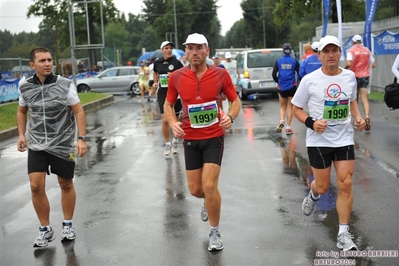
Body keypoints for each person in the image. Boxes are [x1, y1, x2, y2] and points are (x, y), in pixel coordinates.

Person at [164, 33, 241, 251]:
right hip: (190, 138)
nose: (194, 52)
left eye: (199, 48)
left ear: (207, 50)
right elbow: (168, 105)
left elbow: (235, 101)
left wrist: (230, 116)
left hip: (214, 137)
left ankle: (214, 232)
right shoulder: (176, 77)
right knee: (196, 190)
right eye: (190, 48)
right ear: (185, 52)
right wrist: (172, 122)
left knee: (209, 185)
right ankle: (208, 201)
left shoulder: (220, 75)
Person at [291, 35, 366, 251]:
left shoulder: (350, 77)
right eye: (326, 51)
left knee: (346, 184)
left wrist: (358, 117)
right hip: (319, 141)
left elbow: (351, 100)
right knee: (323, 187)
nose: (331, 55)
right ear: (319, 55)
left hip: (343, 139)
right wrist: (312, 123)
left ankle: (343, 233)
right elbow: (296, 108)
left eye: (335, 51)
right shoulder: (310, 80)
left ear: (340, 53)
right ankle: (313, 194)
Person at [16, 47, 88, 248]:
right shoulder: (25, 86)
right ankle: (45, 229)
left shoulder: (65, 85)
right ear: (33, 65)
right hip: (37, 144)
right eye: (42, 61)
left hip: (63, 143)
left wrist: (81, 138)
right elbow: (22, 111)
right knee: (35, 186)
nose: (48, 63)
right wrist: (22, 134)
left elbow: (79, 111)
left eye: (49, 60)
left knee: (65, 183)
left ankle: (67, 224)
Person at [153, 41, 184, 156]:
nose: (169, 50)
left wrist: (174, 76)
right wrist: (156, 82)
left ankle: (175, 140)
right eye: (166, 48)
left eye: (170, 48)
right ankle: (167, 143)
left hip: (175, 93)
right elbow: (155, 73)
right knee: (165, 119)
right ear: (162, 50)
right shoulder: (157, 62)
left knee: (175, 119)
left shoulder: (177, 62)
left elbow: (184, 75)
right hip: (162, 93)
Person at [345, 34, 376, 131]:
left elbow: (349, 63)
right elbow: (373, 64)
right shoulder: (367, 50)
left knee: (354, 99)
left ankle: (357, 119)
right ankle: (367, 117)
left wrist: (344, 69)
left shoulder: (351, 50)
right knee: (364, 98)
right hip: (364, 76)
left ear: (353, 42)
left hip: (354, 76)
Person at [272, 43, 300, 135]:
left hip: (282, 86)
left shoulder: (278, 61)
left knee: (282, 106)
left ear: (283, 50)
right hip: (292, 86)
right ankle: (288, 127)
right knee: (290, 107)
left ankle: (281, 121)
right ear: (291, 51)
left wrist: (278, 81)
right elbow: (299, 73)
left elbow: (273, 74)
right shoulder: (294, 61)